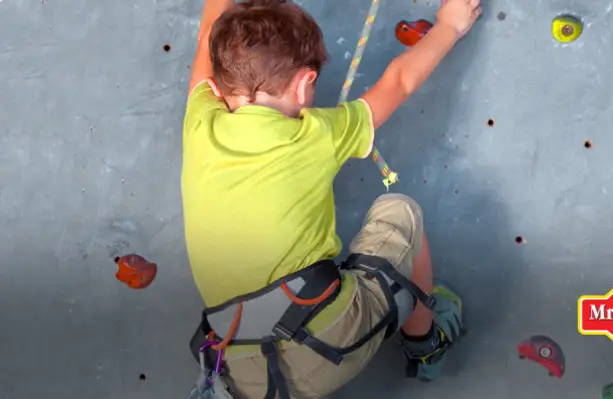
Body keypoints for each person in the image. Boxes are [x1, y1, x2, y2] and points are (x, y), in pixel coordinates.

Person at [181, 0, 482, 397]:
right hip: (330, 347)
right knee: (401, 213)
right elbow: (399, 83)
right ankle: (426, 342)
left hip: (243, 379)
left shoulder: (199, 120)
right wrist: (450, 25)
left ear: (216, 88)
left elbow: (209, 33)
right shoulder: (317, 133)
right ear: (306, 85)